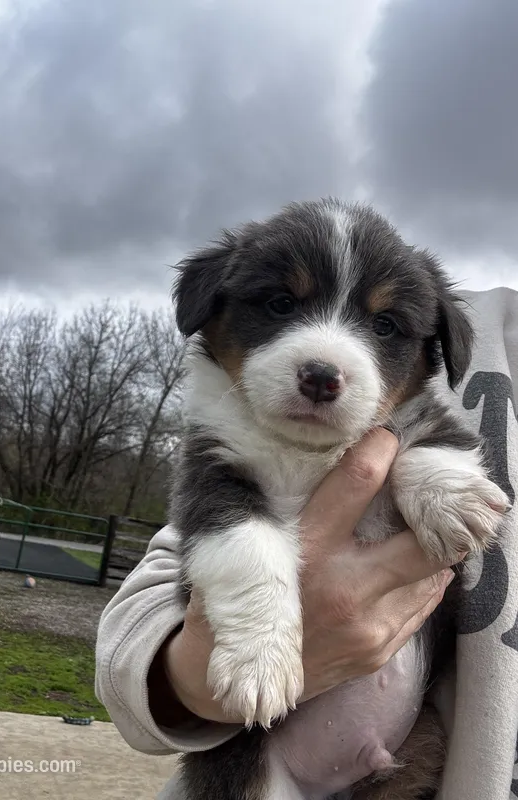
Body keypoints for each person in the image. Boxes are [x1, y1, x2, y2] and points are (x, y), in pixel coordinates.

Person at [95, 287, 518, 800]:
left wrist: (428, 468)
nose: (326, 359)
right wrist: (200, 668)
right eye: (279, 304)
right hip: (260, 752)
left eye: (385, 328)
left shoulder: (420, 398)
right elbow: (191, 541)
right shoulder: (230, 430)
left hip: (418, 759)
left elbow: (437, 442)